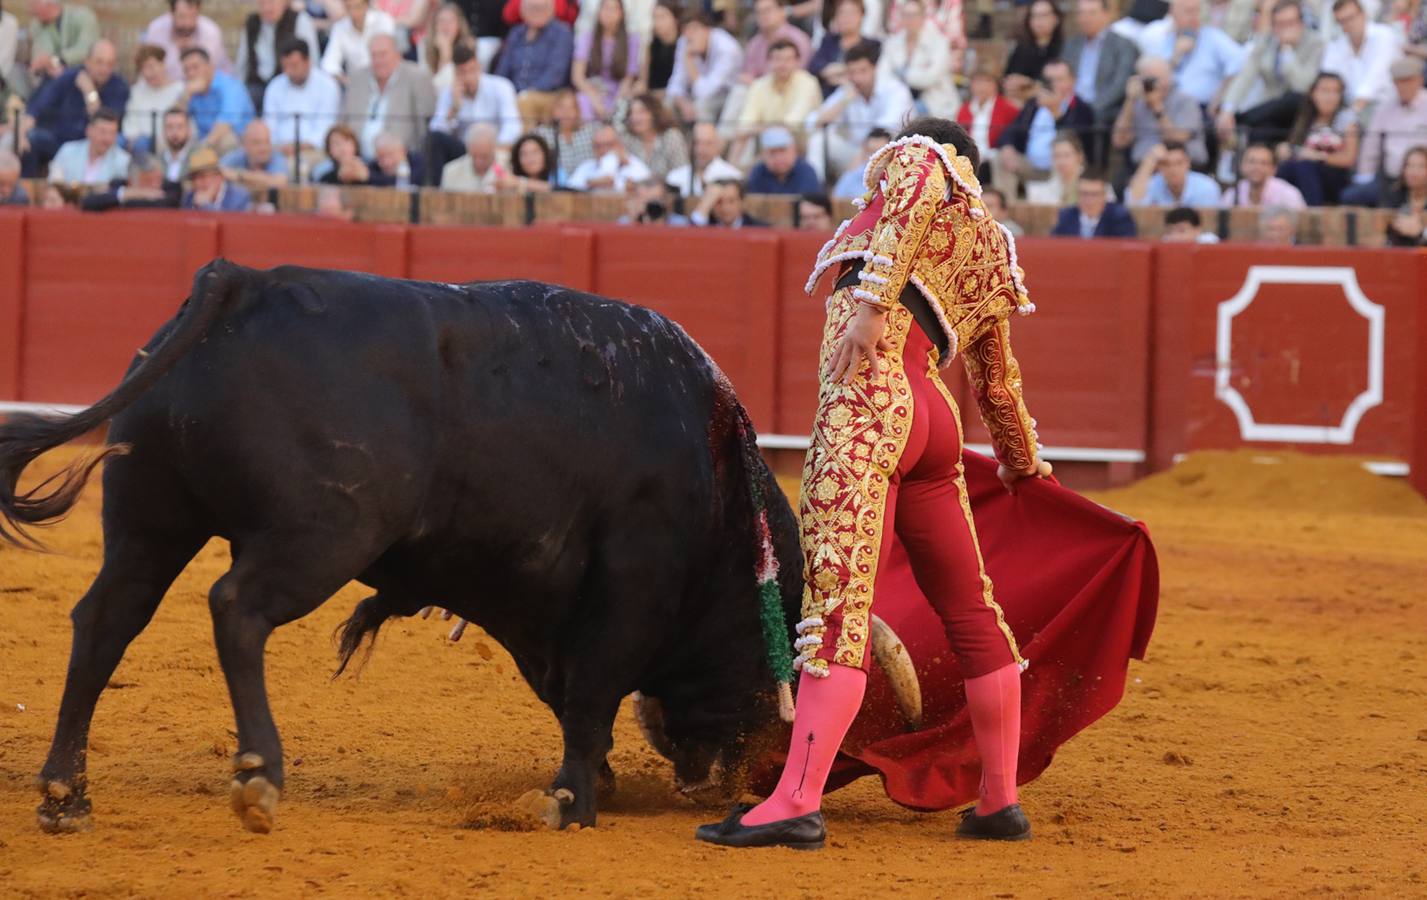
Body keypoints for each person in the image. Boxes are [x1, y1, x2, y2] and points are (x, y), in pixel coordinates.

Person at [696, 118, 1045, 851]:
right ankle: (999, 799)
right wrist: (1019, 461)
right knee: (973, 613)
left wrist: (869, 306)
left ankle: (795, 801)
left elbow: (917, 171)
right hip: (933, 421)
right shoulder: (991, 247)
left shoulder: (918, 164)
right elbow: (996, 384)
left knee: (834, 610)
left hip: (869, 403)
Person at [1216, 0, 1324, 147]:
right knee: (1258, 135)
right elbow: (1245, 76)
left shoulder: (1315, 44)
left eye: (1290, 23)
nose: (1286, 29)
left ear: (1301, 22)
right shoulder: (1267, 42)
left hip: (1300, 111)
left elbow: (1302, 86)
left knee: (1293, 98)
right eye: (1280, 24)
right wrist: (1228, 109)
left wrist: (1287, 51)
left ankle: (1243, 120)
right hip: (1269, 110)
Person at [806, 42, 914, 180]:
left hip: (893, 158)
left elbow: (885, 130)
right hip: (857, 157)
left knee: (877, 146)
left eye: (863, 71)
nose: (857, 78)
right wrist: (844, 101)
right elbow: (811, 124)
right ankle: (815, 193)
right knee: (818, 140)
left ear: (875, 68)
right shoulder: (847, 91)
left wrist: (862, 155)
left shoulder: (896, 90)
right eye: (852, 72)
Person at [19, 39, 127, 175]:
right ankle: (30, 191)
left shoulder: (118, 87)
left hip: (93, 144)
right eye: (99, 62)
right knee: (32, 139)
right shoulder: (69, 77)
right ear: (87, 61)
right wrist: (21, 134)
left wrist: (90, 93)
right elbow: (37, 108)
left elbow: (103, 122)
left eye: (109, 64)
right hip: (60, 140)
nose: (104, 69)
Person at [993, 60, 1095, 197]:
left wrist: (1056, 113)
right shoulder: (1034, 103)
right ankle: (1005, 208)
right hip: (1030, 165)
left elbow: (1076, 141)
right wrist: (1008, 147)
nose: (1054, 84)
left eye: (1059, 79)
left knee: (1064, 158)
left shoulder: (1081, 108)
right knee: (999, 158)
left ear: (1072, 81)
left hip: (1060, 165)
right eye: (1049, 80)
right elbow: (1011, 130)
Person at [1343, 56, 1427, 204]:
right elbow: (1371, 147)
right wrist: (1364, 176)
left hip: (1423, 180)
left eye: (1408, 80)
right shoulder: (1385, 108)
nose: (1403, 86)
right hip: (1391, 180)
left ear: (1419, 80)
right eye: (1399, 81)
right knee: (1352, 196)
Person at [429, 42, 521, 172]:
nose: (468, 77)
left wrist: (493, 149)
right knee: (434, 140)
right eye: (462, 73)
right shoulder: (449, 93)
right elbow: (436, 130)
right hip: (465, 152)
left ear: (479, 67)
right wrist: (454, 110)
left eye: (471, 70)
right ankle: (436, 190)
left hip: (494, 149)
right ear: (455, 73)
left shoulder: (501, 87)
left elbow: (512, 126)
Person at [341, 34, 438, 158]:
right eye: (374, 55)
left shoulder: (417, 77)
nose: (378, 60)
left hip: (400, 159)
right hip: (356, 158)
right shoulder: (357, 79)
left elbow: (426, 122)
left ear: (398, 55)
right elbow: (344, 123)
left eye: (383, 54)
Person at [1136, 0, 1246, 109]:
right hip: (1166, 106)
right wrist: (1176, 56)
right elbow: (1155, 79)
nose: (1194, 17)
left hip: (1200, 109)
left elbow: (1241, 63)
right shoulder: (1165, 40)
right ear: (1173, 14)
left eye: (1197, 11)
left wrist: (1222, 101)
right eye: (1188, 11)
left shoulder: (1213, 37)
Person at [731, 39, 822, 164]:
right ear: (768, 62)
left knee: (779, 141)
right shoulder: (759, 85)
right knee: (744, 137)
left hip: (801, 143)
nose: (783, 64)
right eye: (778, 59)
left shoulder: (808, 83)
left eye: (788, 59)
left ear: (797, 62)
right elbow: (744, 126)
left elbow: (791, 125)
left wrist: (760, 128)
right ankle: (732, 171)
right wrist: (766, 128)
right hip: (767, 142)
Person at [262, 38, 342, 178]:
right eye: (285, 66)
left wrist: (297, 147)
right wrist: (280, 147)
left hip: (315, 151)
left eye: (294, 65)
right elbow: (269, 126)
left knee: (295, 170)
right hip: (278, 150)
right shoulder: (274, 86)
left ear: (307, 62)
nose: (289, 72)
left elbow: (325, 129)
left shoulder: (327, 86)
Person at [1275, 72, 1359, 205]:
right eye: (1325, 91)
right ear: (1313, 93)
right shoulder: (1305, 119)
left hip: (1336, 177)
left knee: (1305, 166)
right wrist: (1286, 149)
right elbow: (1297, 149)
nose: (1330, 97)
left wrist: (1319, 157)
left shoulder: (1347, 119)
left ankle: (1314, 212)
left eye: (1336, 91)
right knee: (1287, 167)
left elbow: (1349, 159)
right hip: (1304, 175)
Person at [1110, 54, 1207, 170]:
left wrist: (1157, 108)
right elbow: (1119, 141)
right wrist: (1129, 101)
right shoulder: (1137, 102)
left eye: (1160, 79)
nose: (1158, 85)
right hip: (1142, 168)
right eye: (1150, 80)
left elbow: (1177, 139)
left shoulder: (1186, 101)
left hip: (1181, 169)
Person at [1061, 0, 1139, 135]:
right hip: (1071, 105)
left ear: (1106, 15)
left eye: (1092, 13)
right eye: (1081, 13)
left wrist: (1090, 109)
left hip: (1103, 109)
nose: (1085, 18)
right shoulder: (1071, 45)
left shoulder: (1122, 45)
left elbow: (1120, 84)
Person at [495, 0, 575, 125]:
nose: (537, 11)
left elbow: (555, 75)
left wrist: (525, 92)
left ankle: (524, 143)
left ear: (551, 9)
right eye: (532, 7)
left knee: (525, 102)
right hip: (515, 93)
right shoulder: (516, 33)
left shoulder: (561, 32)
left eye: (541, 7)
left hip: (549, 95)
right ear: (523, 10)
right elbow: (503, 69)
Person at [236, 0, 322, 113]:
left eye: (271, 3)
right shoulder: (251, 23)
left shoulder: (299, 20)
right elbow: (242, 64)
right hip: (256, 87)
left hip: (289, 84)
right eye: (262, 4)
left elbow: (313, 60)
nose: (267, 8)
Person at [877, 0, 959, 119]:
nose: (910, 19)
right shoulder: (892, 43)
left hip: (934, 104)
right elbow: (882, 77)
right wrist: (916, 73)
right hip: (900, 100)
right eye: (906, 15)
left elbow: (930, 78)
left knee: (903, 114)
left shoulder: (939, 42)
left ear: (923, 17)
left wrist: (902, 74)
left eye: (914, 15)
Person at [1320, 0, 1402, 114]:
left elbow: (1375, 78)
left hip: (1388, 107)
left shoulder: (1384, 35)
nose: (1348, 24)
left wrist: (1350, 115)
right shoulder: (1336, 47)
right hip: (1350, 108)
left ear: (1363, 14)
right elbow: (1328, 79)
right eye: (1342, 21)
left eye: (1351, 18)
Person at [665, 11, 742, 124]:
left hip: (728, 96)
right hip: (699, 94)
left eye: (694, 29)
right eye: (685, 30)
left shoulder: (726, 48)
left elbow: (705, 92)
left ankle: (707, 141)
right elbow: (675, 84)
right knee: (668, 103)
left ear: (708, 29)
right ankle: (676, 141)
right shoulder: (684, 42)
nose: (689, 35)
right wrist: (682, 103)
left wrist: (689, 61)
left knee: (701, 107)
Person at [573, 0, 640, 120]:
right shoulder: (587, 37)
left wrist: (616, 103)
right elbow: (577, 76)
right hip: (593, 90)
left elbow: (629, 77)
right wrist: (594, 97)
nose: (609, 13)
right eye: (605, 8)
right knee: (582, 101)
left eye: (614, 9)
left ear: (621, 13)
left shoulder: (631, 40)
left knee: (626, 106)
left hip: (619, 92)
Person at [181, 47, 254, 150]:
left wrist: (201, 150)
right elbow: (175, 118)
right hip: (206, 140)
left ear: (210, 66)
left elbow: (225, 125)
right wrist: (186, 96)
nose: (191, 73)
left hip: (240, 142)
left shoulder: (230, 86)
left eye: (195, 67)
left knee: (226, 141)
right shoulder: (191, 90)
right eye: (186, 70)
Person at [141, 0, 230, 82]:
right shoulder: (156, 30)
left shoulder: (210, 31)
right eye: (182, 17)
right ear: (171, 13)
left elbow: (205, 73)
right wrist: (175, 50)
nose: (187, 23)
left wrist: (194, 50)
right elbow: (152, 67)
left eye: (192, 16)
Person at [808, 0, 881, 98]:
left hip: (859, 97)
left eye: (851, 13)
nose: (846, 18)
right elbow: (814, 66)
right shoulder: (829, 40)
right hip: (827, 96)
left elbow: (872, 74)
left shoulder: (872, 45)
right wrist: (827, 72)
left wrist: (841, 73)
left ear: (862, 15)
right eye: (841, 13)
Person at [48, 107, 129, 185]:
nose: (107, 138)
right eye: (103, 132)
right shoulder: (67, 151)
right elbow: (55, 185)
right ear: (89, 130)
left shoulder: (123, 161)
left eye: (112, 133)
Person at [1003, 0, 1064, 103]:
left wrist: (1030, 83)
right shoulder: (1021, 49)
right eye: (1034, 16)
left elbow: (1058, 86)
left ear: (1056, 19)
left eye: (1043, 15)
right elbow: (1008, 79)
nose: (1039, 21)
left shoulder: (1064, 48)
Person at [124, 45, 185, 147]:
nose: (147, 73)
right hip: (139, 145)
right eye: (143, 68)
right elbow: (130, 123)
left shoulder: (180, 90)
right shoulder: (137, 91)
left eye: (151, 67)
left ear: (162, 64)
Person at [1127, 140, 1222, 205]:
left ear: (1188, 163)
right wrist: (1150, 160)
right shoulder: (1154, 183)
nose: (1173, 169)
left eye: (1179, 163)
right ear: (1159, 167)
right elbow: (1133, 202)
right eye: (1166, 164)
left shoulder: (1206, 187)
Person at [26, 0, 99, 85]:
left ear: (48, 4)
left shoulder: (84, 16)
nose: (30, 9)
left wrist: (57, 60)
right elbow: (41, 55)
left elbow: (86, 50)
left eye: (34, 3)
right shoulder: (38, 25)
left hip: (86, 78)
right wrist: (46, 64)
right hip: (53, 79)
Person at [323, 0, 399, 80]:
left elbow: (393, 57)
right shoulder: (339, 28)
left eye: (357, 7)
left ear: (366, 5)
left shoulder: (383, 21)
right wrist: (347, 81)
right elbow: (329, 64)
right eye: (349, 8)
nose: (353, 13)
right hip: (356, 83)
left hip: (387, 80)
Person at [619, 92, 688, 180]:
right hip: (638, 192)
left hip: (670, 191)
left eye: (641, 111)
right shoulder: (629, 140)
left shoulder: (671, 136)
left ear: (654, 114)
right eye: (631, 113)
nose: (634, 117)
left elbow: (682, 172)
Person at [80, 151, 181, 211]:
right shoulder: (119, 185)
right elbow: (87, 202)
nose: (156, 185)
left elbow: (164, 203)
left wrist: (134, 196)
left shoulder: (171, 188)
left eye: (159, 179)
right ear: (131, 181)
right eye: (148, 181)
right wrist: (127, 194)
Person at [664, 120, 743, 196]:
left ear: (718, 145)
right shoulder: (674, 177)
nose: (700, 149)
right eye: (697, 143)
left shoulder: (733, 176)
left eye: (707, 144)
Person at [956, 70, 1019, 163]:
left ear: (996, 84)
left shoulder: (1008, 108)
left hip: (994, 160)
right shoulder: (964, 109)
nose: (982, 86)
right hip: (969, 159)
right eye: (977, 81)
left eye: (987, 81)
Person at [569, 122, 652, 190]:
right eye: (598, 146)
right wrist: (594, 182)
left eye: (609, 145)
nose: (603, 150)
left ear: (620, 145)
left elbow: (647, 190)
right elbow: (570, 189)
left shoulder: (634, 166)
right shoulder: (586, 166)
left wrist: (612, 182)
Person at [1053, 169, 1138, 235]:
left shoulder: (1119, 217)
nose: (1089, 200)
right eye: (1084, 194)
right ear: (1077, 195)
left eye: (1095, 194)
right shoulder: (1067, 216)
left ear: (1104, 196)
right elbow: (1055, 247)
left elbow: (1125, 251)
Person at [536, 88, 597, 177]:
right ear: (552, 110)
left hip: (589, 184)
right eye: (561, 107)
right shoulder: (541, 134)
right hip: (555, 187)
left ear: (577, 111)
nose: (566, 113)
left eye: (571, 108)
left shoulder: (590, 131)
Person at [1223, 142, 1306, 207]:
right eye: (1251, 161)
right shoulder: (1233, 193)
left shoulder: (1288, 194)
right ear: (1242, 166)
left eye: (1263, 163)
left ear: (1274, 169)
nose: (1257, 167)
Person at [745, 125, 821, 194]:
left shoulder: (807, 172)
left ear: (794, 150)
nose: (778, 157)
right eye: (772, 152)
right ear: (764, 155)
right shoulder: (758, 173)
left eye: (782, 150)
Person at [222, 119, 289, 192]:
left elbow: (279, 183)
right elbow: (218, 171)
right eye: (257, 143)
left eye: (267, 142)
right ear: (245, 144)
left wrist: (241, 176)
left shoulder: (276, 157)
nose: (263, 148)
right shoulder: (237, 156)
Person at [421, 3, 474, 93]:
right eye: (441, 21)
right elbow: (429, 86)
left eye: (450, 21)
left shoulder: (468, 46)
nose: (446, 26)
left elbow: (459, 83)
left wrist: (445, 52)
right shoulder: (424, 45)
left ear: (459, 25)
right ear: (435, 25)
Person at [182, 144, 253, 211]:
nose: (197, 183)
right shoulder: (190, 197)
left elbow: (228, 222)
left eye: (202, 177)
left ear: (218, 177)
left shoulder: (239, 197)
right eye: (193, 178)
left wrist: (205, 205)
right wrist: (195, 207)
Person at [442, 121, 508, 189]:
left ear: (494, 149)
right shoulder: (451, 172)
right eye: (474, 156)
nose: (479, 162)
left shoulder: (510, 164)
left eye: (484, 157)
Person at [1024, 132, 1086, 204]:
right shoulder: (1041, 192)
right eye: (1057, 156)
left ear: (1079, 157)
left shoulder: (1094, 187)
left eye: (1067, 155)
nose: (1061, 161)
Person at [1383, 145, 1427, 244]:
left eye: (1421, 166)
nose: (1414, 172)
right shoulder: (1395, 196)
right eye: (1409, 165)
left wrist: (1421, 232)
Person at [831, 127, 891, 198]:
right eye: (871, 152)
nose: (875, 159)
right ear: (864, 151)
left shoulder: (896, 177)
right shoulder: (851, 177)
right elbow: (836, 202)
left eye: (881, 154)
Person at [641, 0, 681, 94]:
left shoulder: (683, 44)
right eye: (655, 17)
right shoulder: (651, 45)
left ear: (675, 18)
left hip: (673, 96)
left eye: (662, 17)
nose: (657, 22)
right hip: (652, 96)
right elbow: (644, 81)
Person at [689, 178, 766, 226]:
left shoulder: (758, 228)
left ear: (742, 202)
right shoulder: (707, 225)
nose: (725, 207)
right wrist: (704, 206)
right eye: (719, 202)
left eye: (731, 201)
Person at [155, 106, 197, 183]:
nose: (175, 132)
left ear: (189, 130)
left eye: (180, 126)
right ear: (163, 130)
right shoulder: (157, 161)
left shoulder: (199, 158)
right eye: (169, 127)